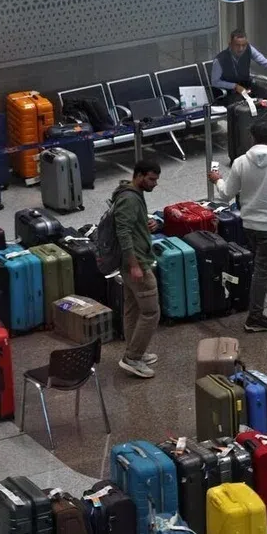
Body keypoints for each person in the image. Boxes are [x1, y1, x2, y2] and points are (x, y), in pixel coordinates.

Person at [208, 122, 267, 332]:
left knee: (265, 266)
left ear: (252, 137)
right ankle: (255, 317)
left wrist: (217, 180)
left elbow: (226, 194)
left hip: (249, 225)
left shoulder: (241, 162)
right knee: (263, 269)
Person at [113, 160, 162, 379]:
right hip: (137, 263)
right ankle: (132, 358)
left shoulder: (130, 192)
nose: (155, 184)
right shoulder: (130, 199)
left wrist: (147, 223)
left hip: (131, 262)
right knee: (151, 311)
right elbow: (123, 232)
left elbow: (132, 225)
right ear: (139, 175)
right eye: (151, 179)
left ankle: (134, 351)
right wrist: (134, 265)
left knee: (132, 308)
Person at [211, 29, 267, 112]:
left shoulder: (249, 49)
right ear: (230, 44)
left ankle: (262, 125)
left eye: (244, 45)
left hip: (247, 85)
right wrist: (234, 86)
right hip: (229, 92)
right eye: (237, 45)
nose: (241, 49)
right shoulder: (220, 60)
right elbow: (215, 81)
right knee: (245, 110)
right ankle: (247, 128)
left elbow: (265, 62)